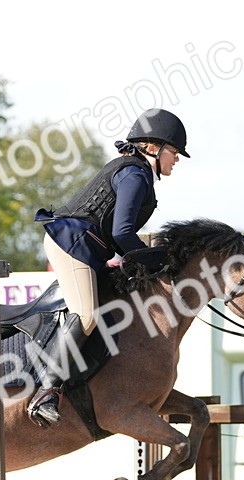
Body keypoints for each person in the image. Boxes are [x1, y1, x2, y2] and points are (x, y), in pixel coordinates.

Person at [30, 107, 189, 428]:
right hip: (72, 244)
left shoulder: (138, 172)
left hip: (88, 247)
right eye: (174, 152)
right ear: (153, 148)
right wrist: (158, 260)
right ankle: (46, 392)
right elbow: (121, 233)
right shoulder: (135, 174)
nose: (177, 159)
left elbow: (119, 237)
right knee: (87, 315)